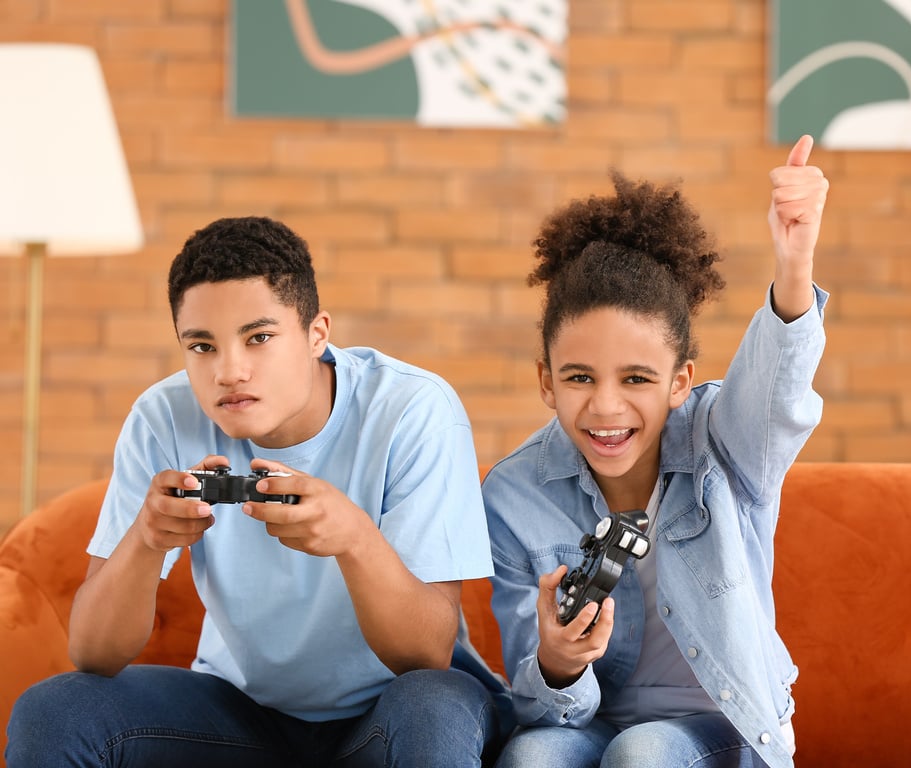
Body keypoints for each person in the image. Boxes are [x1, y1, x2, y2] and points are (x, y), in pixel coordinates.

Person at [6, 216, 510, 767]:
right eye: (202, 346)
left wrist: (355, 539)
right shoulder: (163, 418)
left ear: (318, 334)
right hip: (240, 713)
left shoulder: (414, 410)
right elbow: (93, 653)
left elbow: (427, 653)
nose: (229, 371)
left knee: (436, 705)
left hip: (389, 712)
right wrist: (146, 542)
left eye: (259, 337)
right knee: (55, 709)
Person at [482, 135, 828, 768]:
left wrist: (794, 265)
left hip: (719, 726)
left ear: (680, 381)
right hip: (589, 724)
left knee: (643, 753)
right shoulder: (513, 494)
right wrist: (557, 663)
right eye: (579, 377)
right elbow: (542, 709)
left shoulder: (725, 445)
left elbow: (776, 394)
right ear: (545, 380)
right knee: (532, 759)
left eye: (636, 379)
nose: (607, 408)